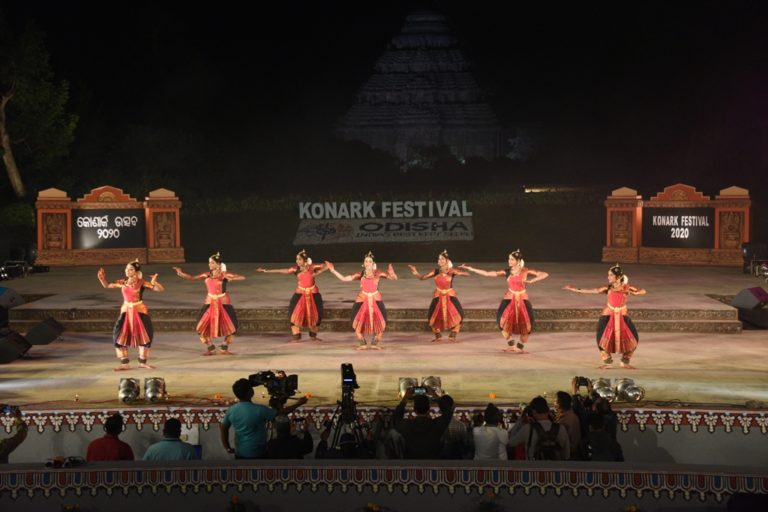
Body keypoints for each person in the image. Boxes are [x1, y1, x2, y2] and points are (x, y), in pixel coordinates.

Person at [461, 249, 549, 353]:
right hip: (509, 298)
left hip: (522, 298)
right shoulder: (507, 272)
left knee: (528, 323)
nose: (509, 261)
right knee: (500, 320)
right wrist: (471, 268)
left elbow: (544, 274)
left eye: (512, 259)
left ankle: (519, 347)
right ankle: (511, 344)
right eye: (509, 259)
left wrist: (532, 280)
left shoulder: (526, 271)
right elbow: (488, 273)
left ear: (518, 260)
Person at [563, 263, 646, 368]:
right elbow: (591, 291)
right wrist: (574, 289)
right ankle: (607, 362)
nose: (608, 277)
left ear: (618, 277)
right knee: (601, 339)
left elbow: (643, 290)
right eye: (608, 274)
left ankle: (625, 362)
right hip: (607, 316)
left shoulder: (627, 288)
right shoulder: (608, 288)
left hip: (623, 316)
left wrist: (637, 293)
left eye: (611, 275)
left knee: (634, 338)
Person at [173, 252, 245, 355]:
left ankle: (224, 347)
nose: (209, 265)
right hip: (209, 302)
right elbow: (192, 278)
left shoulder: (224, 274)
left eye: (212, 263)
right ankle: (210, 348)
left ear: (218, 264)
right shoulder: (206, 274)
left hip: (223, 302)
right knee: (200, 326)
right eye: (209, 263)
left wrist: (231, 277)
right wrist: (181, 273)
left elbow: (242, 277)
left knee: (233, 325)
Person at [98, 259, 164, 371]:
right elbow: (107, 285)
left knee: (146, 335)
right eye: (127, 269)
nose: (128, 271)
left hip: (140, 311)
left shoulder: (141, 282)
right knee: (118, 335)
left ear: (136, 271)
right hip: (125, 311)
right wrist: (102, 279)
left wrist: (154, 282)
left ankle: (142, 362)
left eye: (131, 269)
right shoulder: (122, 282)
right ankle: (124, 363)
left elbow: (160, 289)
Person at [220, 378, 308, 459]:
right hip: (259, 454)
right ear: (250, 392)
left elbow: (224, 428)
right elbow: (280, 414)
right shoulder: (259, 410)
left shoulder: (231, 410)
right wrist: (299, 403)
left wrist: (227, 447)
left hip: (240, 454)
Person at [325, 252, 398, 350]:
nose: (368, 263)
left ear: (373, 264)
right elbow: (344, 279)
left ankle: (375, 342)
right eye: (366, 261)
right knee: (354, 320)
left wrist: (392, 274)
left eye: (370, 261)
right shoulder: (360, 274)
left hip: (376, 299)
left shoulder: (378, 273)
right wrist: (333, 270)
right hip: (362, 299)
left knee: (382, 320)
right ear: (363, 264)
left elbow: (394, 278)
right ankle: (362, 341)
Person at [256, 250, 328, 342]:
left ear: (305, 260)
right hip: (299, 294)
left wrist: (322, 268)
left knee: (317, 315)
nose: (297, 261)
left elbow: (326, 266)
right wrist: (266, 271)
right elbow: (283, 271)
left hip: (313, 294)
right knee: (292, 315)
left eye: (299, 259)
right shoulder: (296, 269)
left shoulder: (312, 267)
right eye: (296, 259)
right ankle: (296, 337)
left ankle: (313, 336)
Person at [408, 250, 469, 342]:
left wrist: (457, 271)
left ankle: (453, 335)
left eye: (442, 259)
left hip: (450, 295)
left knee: (459, 314)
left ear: (447, 261)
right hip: (438, 295)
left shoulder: (451, 271)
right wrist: (415, 272)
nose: (440, 260)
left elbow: (467, 274)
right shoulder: (436, 271)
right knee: (432, 315)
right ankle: (438, 336)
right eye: (439, 259)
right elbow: (422, 278)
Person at [392, 387, 454, 459]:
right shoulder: (436, 425)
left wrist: (405, 398)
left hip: (412, 463)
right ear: (429, 409)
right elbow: (448, 412)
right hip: (432, 462)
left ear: (414, 410)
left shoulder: (408, 426)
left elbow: (396, 419)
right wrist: (434, 394)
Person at [507, 396, 570, 460]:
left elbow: (511, 443)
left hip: (533, 467)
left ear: (533, 412)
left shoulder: (528, 428)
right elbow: (567, 455)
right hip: (556, 468)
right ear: (547, 410)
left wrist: (520, 421)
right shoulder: (561, 428)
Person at [555, 391, 582, 460]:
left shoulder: (567, 420)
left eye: (556, 401)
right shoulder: (568, 416)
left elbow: (572, 443)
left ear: (559, 404)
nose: (554, 403)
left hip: (567, 457)